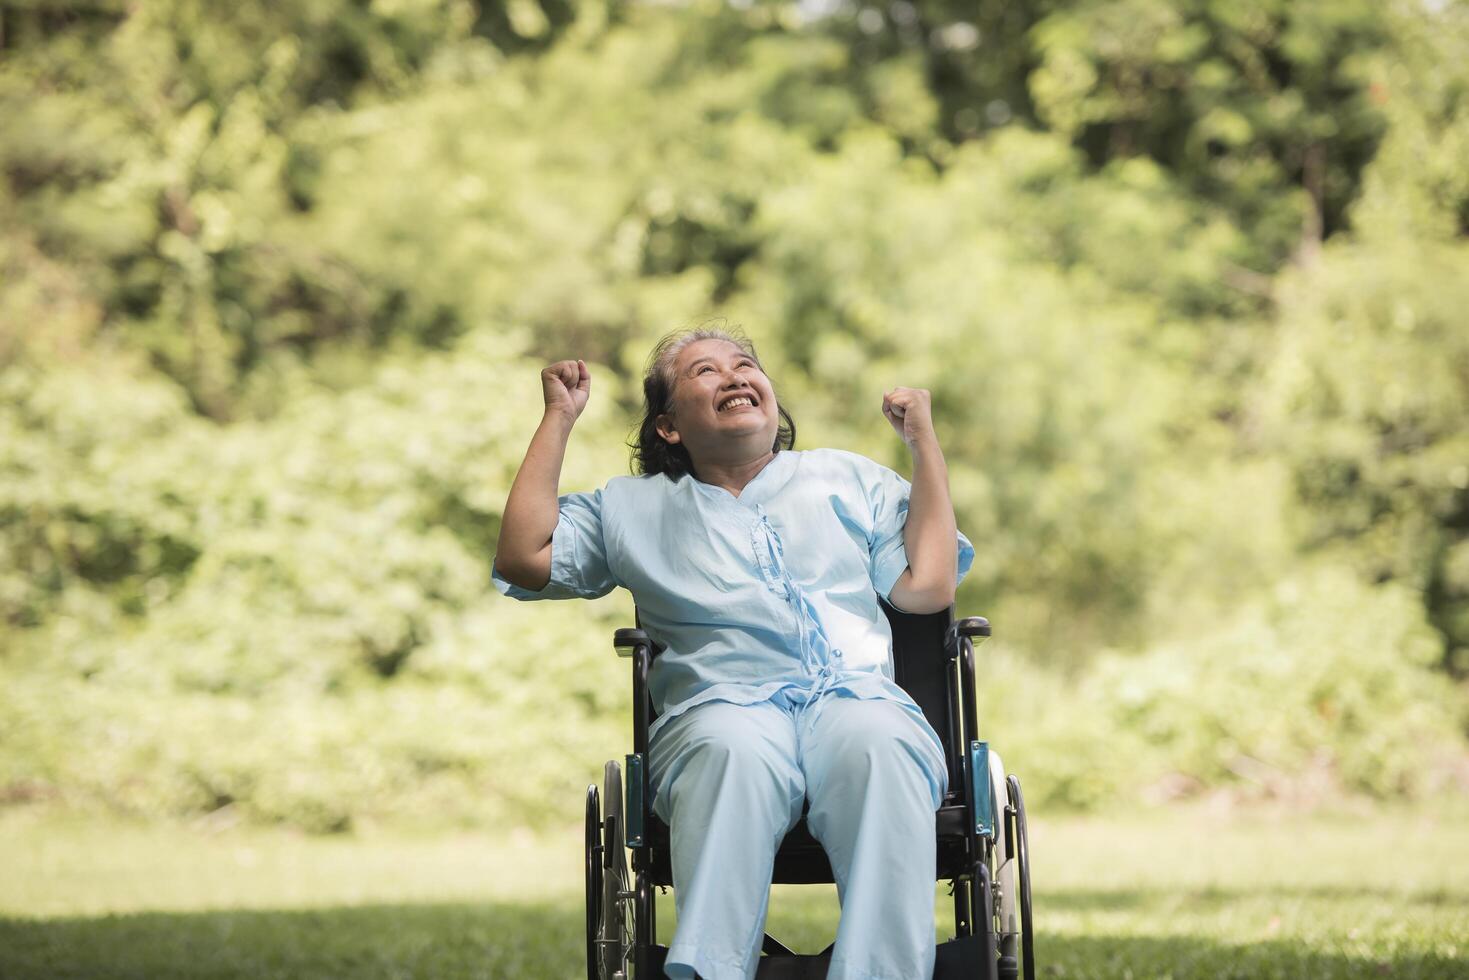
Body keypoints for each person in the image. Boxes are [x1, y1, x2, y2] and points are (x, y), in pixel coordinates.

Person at [493, 326, 974, 980]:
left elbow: (928, 588)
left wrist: (922, 443)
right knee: (730, 752)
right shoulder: (628, 508)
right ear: (667, 426)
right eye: (705, 371)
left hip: (851, 697)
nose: (734, 376)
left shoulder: (847, 477)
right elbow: (524, 560)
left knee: (879, 744)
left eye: (745, 365)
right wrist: (558, 418)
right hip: (716, 708)